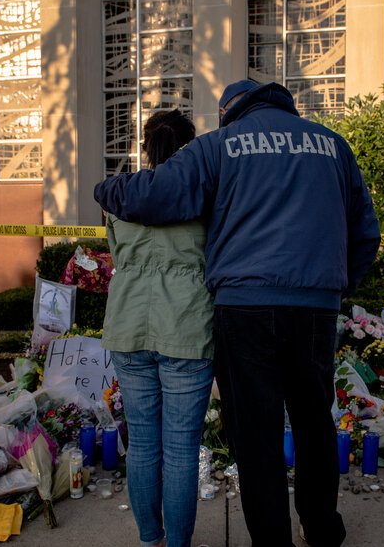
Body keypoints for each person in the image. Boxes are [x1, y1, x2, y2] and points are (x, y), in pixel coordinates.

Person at [95, 80, 381, 547]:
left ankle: (271, 541)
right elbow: (366, 232)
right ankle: (322, 529)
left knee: (256, 431)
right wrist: (334, 286)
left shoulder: (222, 144)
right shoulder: (333, 145)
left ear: (230, 109)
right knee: (314, 422)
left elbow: (154, 194)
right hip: (315, 308)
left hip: (245, 306)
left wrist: (105, 187)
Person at [101, 109, 214, 547]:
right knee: (181, 451)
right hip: (186, 325)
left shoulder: (122, 194)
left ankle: (151, 539)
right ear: (190, 147)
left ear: (145, 146)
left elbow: (117, 254)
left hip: (128, 322)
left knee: (144, 446)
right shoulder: (203, 195)